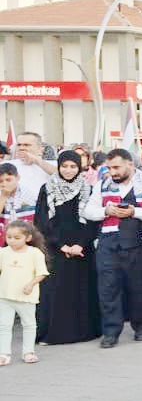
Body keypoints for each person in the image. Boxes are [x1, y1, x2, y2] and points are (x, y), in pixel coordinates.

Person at [85, 147, 142, 348]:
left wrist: (134, 212)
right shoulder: (101, 185)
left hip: (140, 240)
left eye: (116, 167)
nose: (112, 172)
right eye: (109, 167)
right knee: (108, 288)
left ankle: (141, 327)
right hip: (109, 241)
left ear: (130, 164)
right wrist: (105, 210)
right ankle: (110, 331)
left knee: (140, 286)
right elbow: (89, 211)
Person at [35, 150, 100, 346]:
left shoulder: (88, 188)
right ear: (59, 166)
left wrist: (80, 244)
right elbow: (43, 220)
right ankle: (53, 334)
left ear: (80, 167)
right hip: (55, 248)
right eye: (65, 166)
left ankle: (84, 332)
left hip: (82, 249)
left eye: (73, 166)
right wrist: (62, 245)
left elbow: (92, 220)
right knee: (55, 290)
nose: (69, 170)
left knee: (81, 288)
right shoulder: (47, 189)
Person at [0, 220, 48, 365]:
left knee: (29, 325)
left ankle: (28, 352)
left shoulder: (34, 253)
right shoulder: (3, 252)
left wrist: (31, 284)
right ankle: (4, 353)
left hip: (26, 297)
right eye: (9, 237)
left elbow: (42, 273)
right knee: (4, 326)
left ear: (28, 238)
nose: (12, 241)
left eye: (16, 238)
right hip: (5, 295)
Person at [9, 132, 53, 214]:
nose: (22, 148)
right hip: (17, 214)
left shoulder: (52, 165)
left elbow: (62, 175)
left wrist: (37, 161)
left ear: (40, 148)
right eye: (19, 145)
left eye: (26, 145)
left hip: (44, 213)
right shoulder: (7, 165)